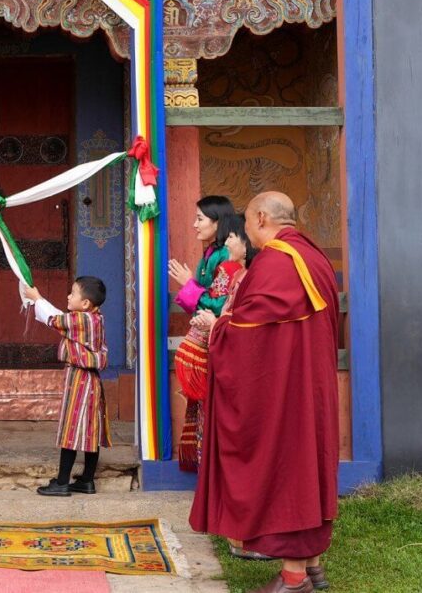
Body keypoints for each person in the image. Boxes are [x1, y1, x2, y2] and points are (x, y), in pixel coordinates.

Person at [190, 192, 340, 593]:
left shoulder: (277, 261)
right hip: (311, 383)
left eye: (248, 224)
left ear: (260, 218)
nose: (246, 234)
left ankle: (293, 580)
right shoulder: (314, 257)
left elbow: (248, 331)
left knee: (290, 470)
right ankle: (312, 565)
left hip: (285, 389)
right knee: (308, 465)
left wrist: (215, 328)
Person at [168, 195, 238, 471]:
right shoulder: (211, 253)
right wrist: (191, 287)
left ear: (217, 222)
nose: (194, 225)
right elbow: (199, 302)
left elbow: (219, 303)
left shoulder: (225, 257)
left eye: (199, 219)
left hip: (220, 339)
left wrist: (189, 285)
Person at [23, 277, 110, 497]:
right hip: (92, 381)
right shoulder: (94, 319)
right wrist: (39, 299)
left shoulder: (80, 321)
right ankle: (87, 480)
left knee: (71, 430)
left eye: (73, 293)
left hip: (80, 380)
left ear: (86, 304)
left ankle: (62, 482)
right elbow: (61, 319)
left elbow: (54, 320)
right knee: (91, 430)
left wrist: (36, 298)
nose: (68, 296)